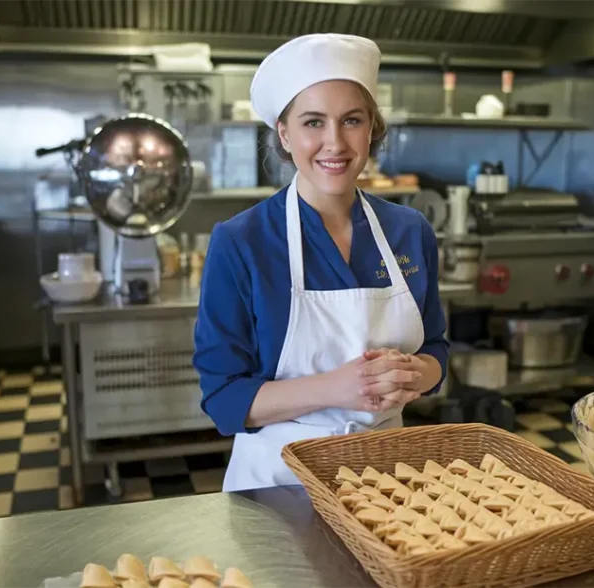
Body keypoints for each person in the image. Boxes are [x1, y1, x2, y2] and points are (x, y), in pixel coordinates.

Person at [192, 33, 449, 492]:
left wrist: (414, 373)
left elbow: (436, 350)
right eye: (313, 122)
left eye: (351, 120)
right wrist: (338, 388)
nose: (335, 143)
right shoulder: (241, 242)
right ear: (285, 135)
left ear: (372, 129)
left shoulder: (410, 230)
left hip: (389, 480)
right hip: (277, 486)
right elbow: (224, 399)